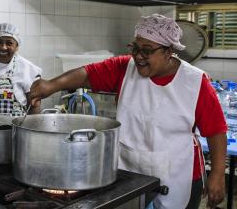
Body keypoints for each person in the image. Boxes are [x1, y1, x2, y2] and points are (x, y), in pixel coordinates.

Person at [29, 14, 227, 209]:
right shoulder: (125, 67)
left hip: (178, 170)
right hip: (129, 168)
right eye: (135, 48)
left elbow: (215, 130)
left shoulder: (195, 81)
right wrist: (51, 85)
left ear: (168, 52)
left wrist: (217, 174)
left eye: (147, 51)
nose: (139, 56)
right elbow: (87, 74)